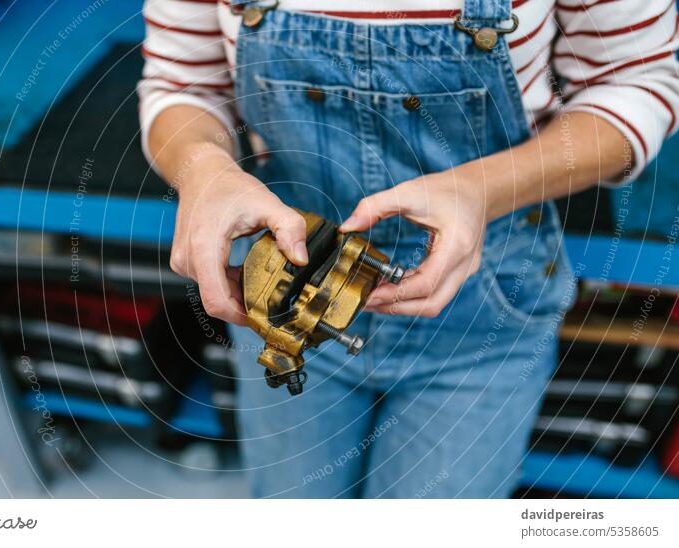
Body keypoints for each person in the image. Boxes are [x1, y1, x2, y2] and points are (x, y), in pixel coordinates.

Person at [139, 0, 679, 497]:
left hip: (482, 317)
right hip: (286, 298)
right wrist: (203, 169)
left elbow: (638, 82)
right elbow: (182, 84)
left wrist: (480, 189)